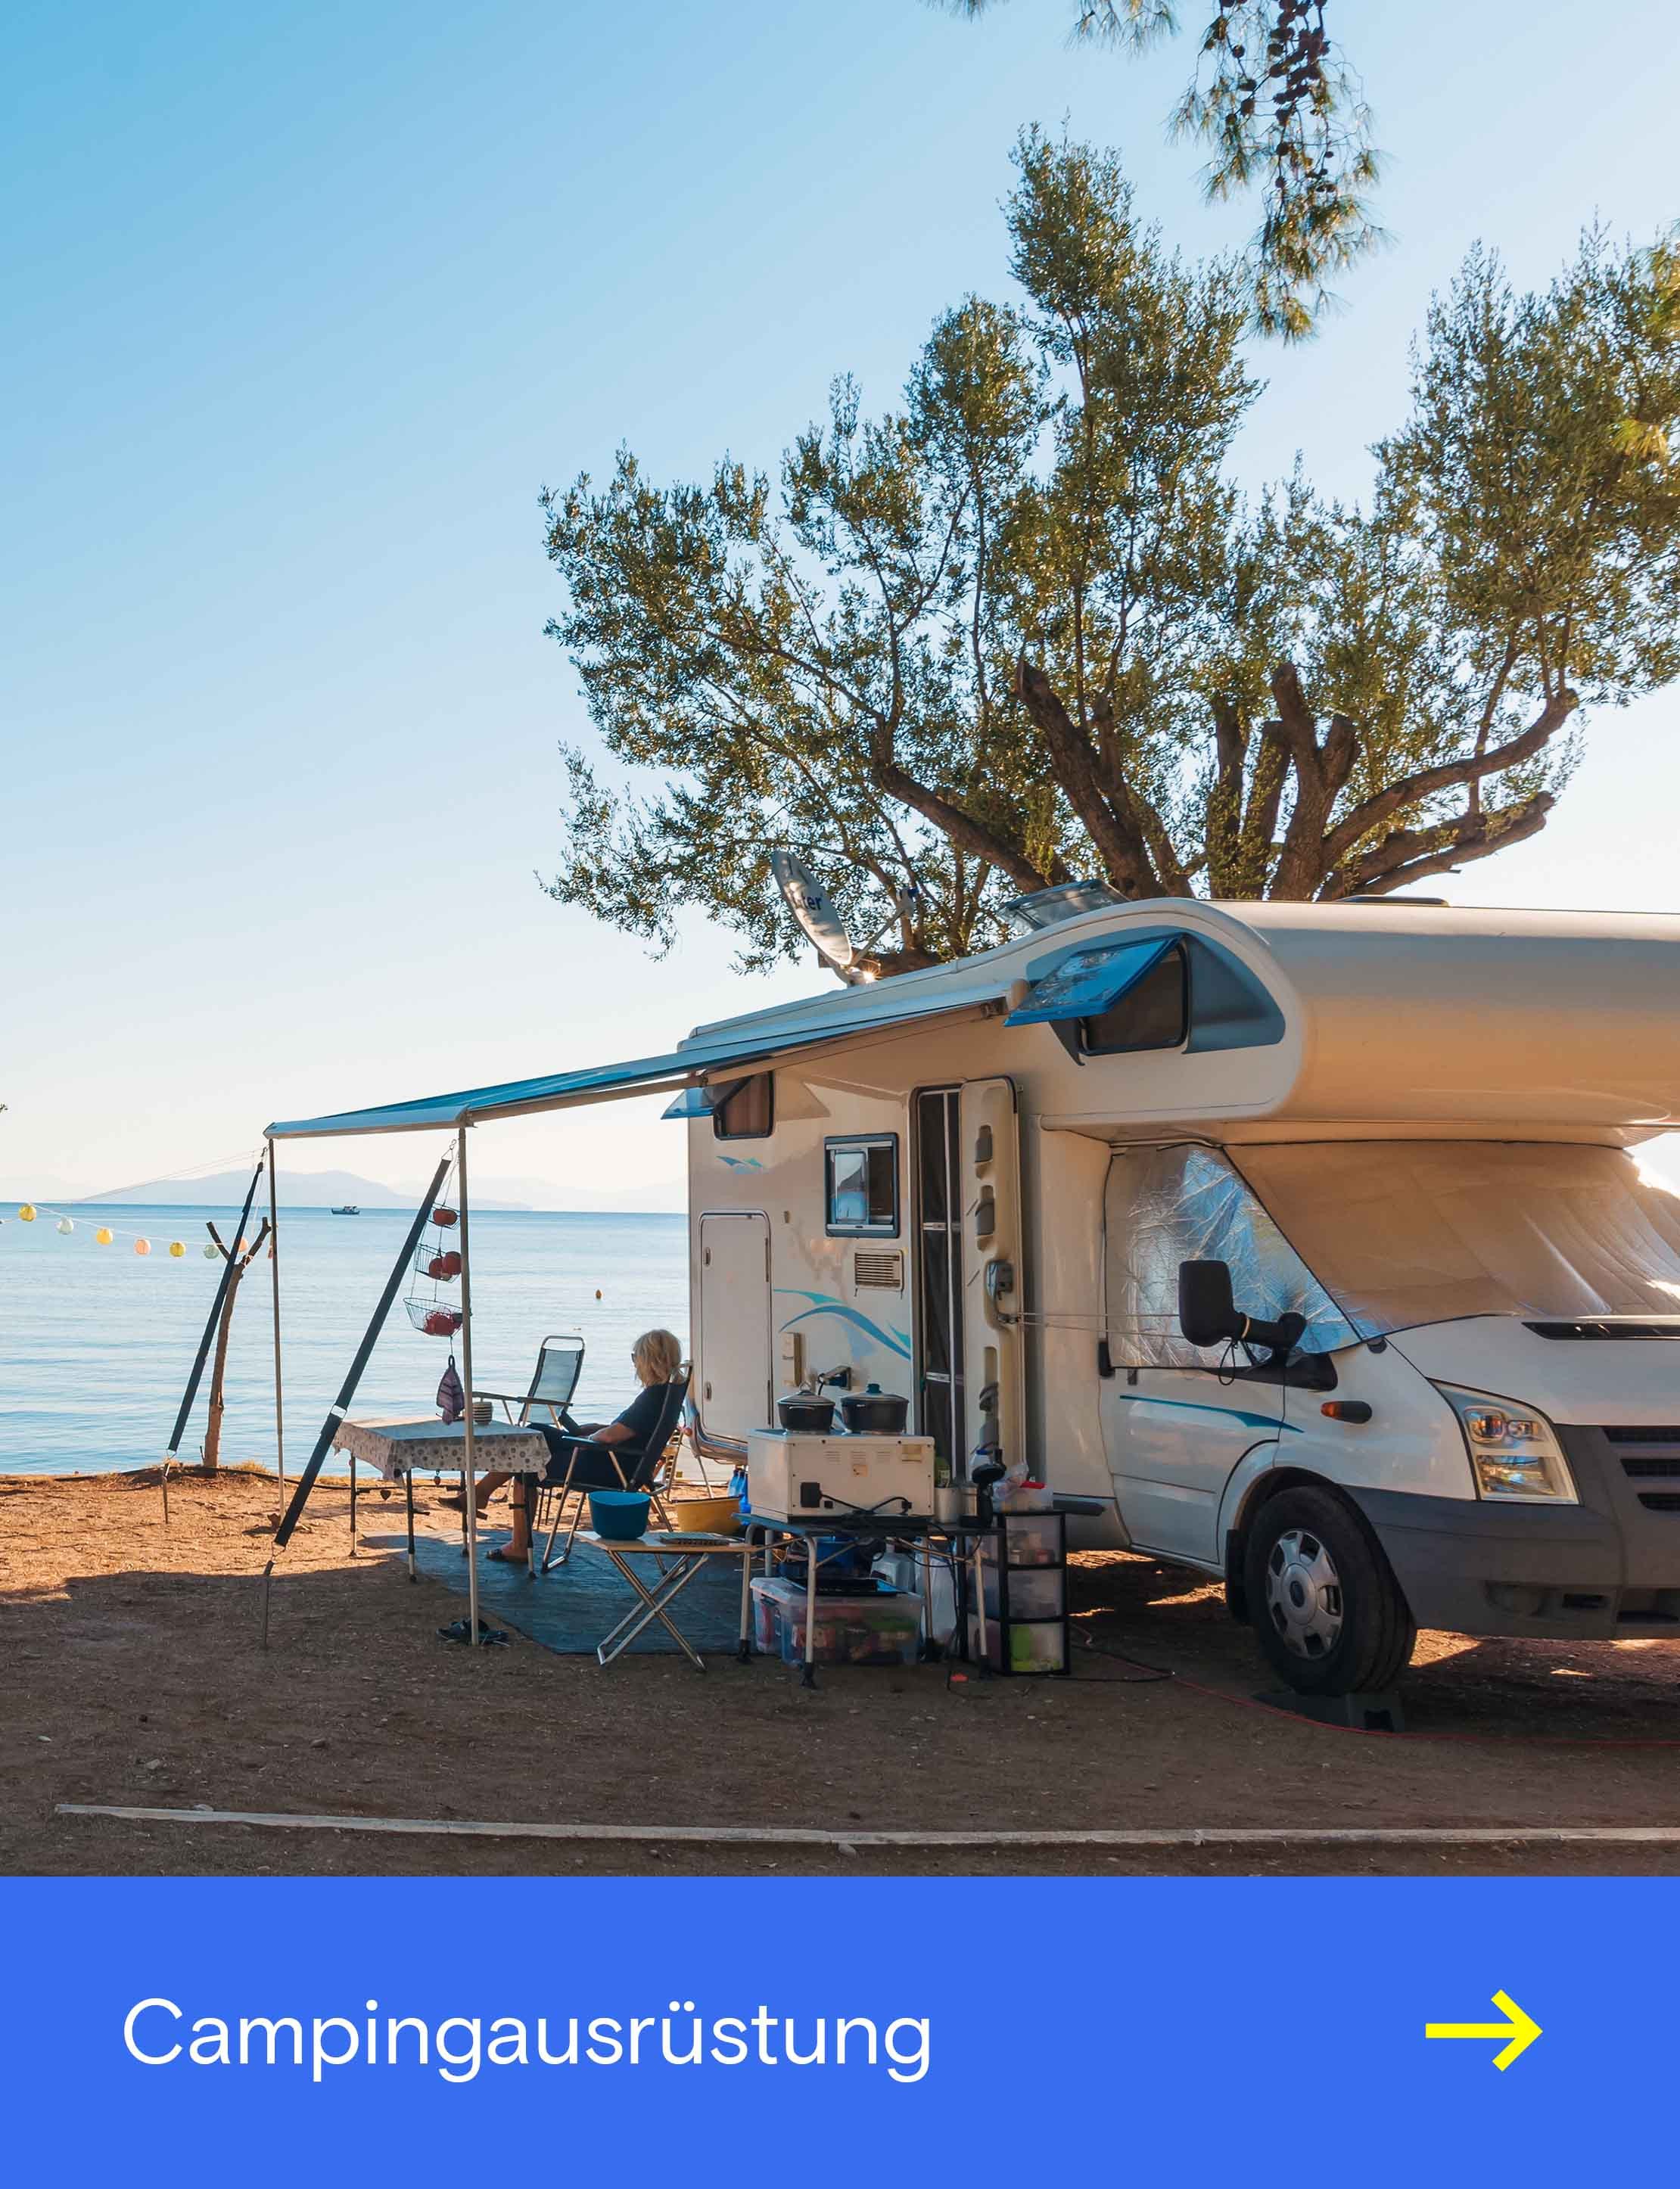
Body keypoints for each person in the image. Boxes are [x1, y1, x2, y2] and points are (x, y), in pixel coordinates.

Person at [474, 1327, 684, 1562]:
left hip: (604, 1467)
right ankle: (482, 1494)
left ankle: (513, 1537)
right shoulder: (666, 1395)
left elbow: (611, 1437)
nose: (634, 1363)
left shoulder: (652, 1397)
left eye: (636, 1357)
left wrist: (589, 1438)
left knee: (527, 1462)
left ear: (649, 1360)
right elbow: (630, 1430)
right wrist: (595, 1429)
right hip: (617, 1462)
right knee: (535, 1431)